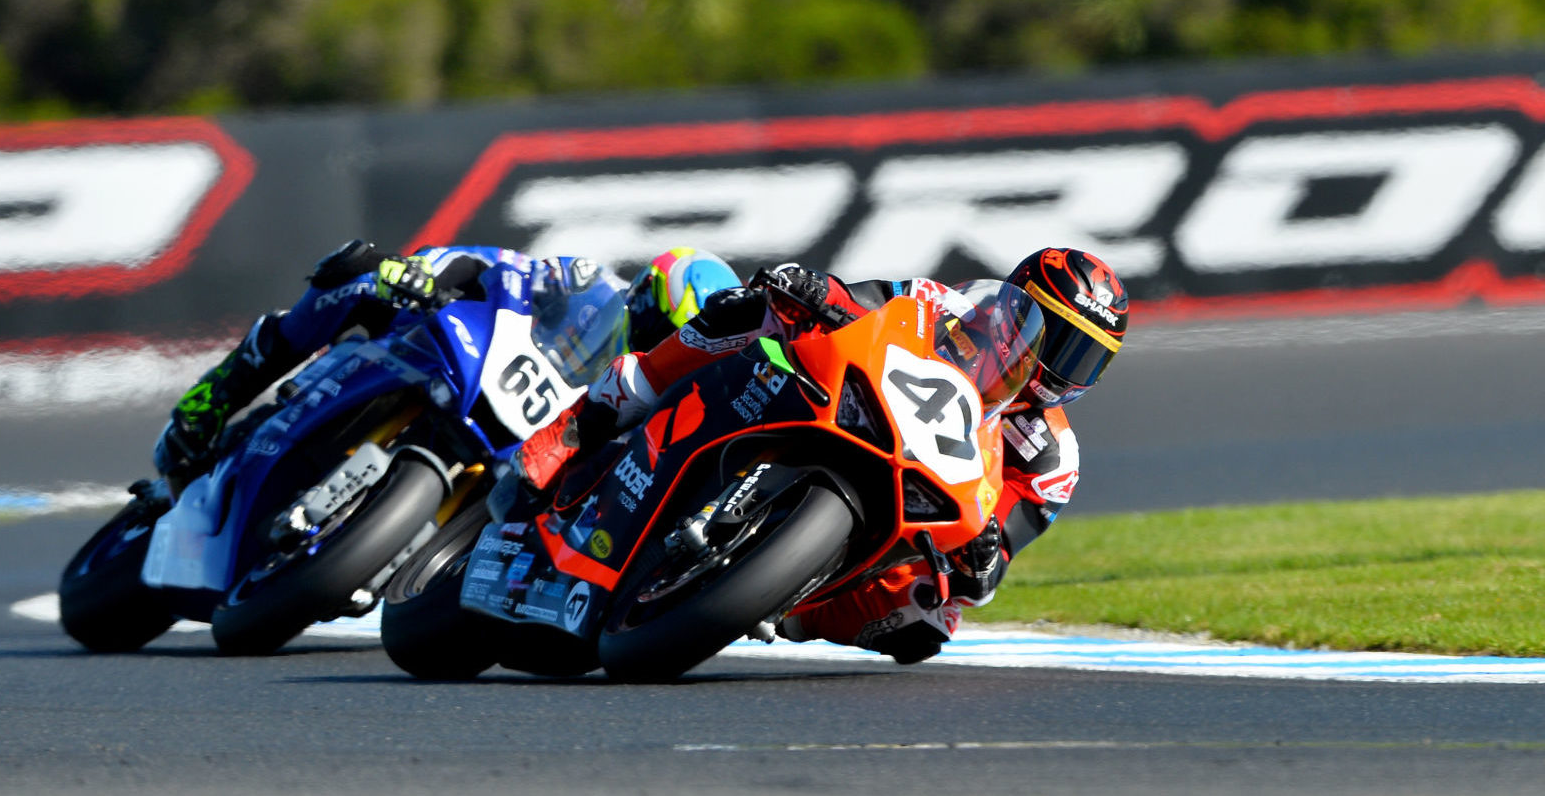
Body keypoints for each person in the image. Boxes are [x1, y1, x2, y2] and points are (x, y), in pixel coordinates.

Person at [501, 247, 1127, 665]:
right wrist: (814, 290)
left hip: (924, 497)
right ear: (1017, 304)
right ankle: (586, 421)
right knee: (753, 310)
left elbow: (991, 562)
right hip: (853, 404)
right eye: (1058, 336)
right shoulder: (948, 306)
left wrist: (985, 560)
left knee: (927, 622)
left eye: (1084, 357)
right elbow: (864, 299)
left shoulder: (1053, 459)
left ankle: (784, 603)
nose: (1060, 365)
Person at [150, 241, 741, 495]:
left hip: (526, 438)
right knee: (356, 275)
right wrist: (426, 274)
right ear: (645, 297)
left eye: (676, 345)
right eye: (662, 329)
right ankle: (210, 403)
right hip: (470, 355)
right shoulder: (588, 287)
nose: (661, 346)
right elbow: (505, 267)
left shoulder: (649, 396)